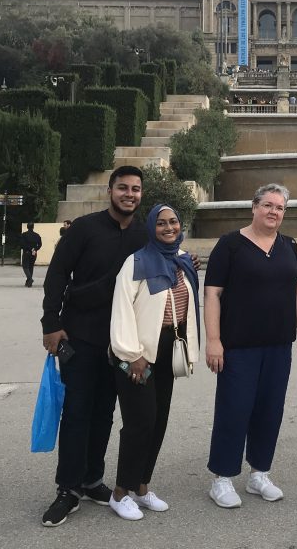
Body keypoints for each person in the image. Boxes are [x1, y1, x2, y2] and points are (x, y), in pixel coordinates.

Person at [39, 166, 148, 527]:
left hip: (120, 343)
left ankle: (91, 479)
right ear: (110, 190)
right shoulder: (85, 228)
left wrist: (188, 263)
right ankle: (67, 489)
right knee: (76, 413)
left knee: (104, 413)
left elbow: (165, 266)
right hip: (81, 336)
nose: (129, 194)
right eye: (123, 188)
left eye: (135, 189)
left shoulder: (144, 233)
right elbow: (56, 275)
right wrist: (51, 324)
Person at [203, 183, 297, 508]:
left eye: (279, 208)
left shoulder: (289, 245)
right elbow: (212, 294)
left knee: (270, 411)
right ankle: (222, 478)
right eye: (268, 205)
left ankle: (259, 473)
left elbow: (296, 292)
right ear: (254, 207)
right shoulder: (230, 245)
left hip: (278, 345)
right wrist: (213, 340)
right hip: (238, 346)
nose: (273, 212)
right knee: (234, 410)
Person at [107, 204, 201, 520]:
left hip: (167, 349)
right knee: (139, 423)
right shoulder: (136, 262)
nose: (168, 227)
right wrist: (133, 356)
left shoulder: (182, 260)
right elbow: (121, 310)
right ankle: (120, 493)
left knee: (158, 419)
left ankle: (142, 486)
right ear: (151, 227)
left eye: (173, 222)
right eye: (161, 223)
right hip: (138, 354)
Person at [21, 222, 43, 288]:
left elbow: (22, 244)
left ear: (27, 227)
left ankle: (30, 279)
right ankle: (28, 282)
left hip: (27, 252)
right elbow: (40, 244)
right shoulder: (37, 235)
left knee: (25, 266)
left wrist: (29, 249)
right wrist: (35, 249)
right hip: (34, 253)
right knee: (31, 266)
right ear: (33, 227)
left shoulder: (24, 235)